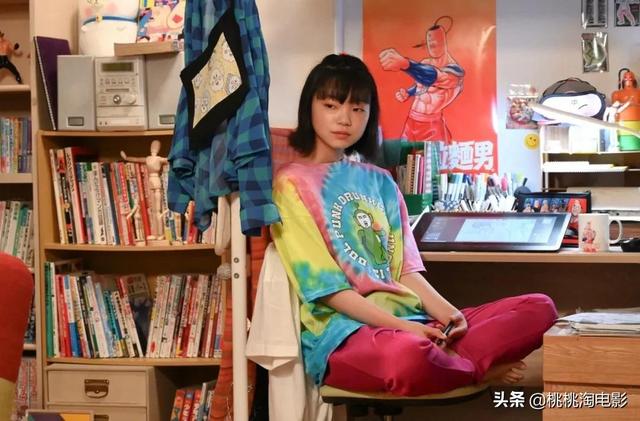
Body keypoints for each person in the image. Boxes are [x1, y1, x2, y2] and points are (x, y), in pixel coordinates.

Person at [270, 53, 557, 396]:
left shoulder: (380, 181)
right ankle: (477, 370)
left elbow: (405, 271)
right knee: (409, 358)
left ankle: (452, 362)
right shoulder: (291, 183)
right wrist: (405, 329)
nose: (344, 118)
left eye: (358, 109)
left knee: (540, 308)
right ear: (310, 108)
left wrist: (452, 316)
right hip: (346, 333)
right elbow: (328, 289)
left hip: (415, 323)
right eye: (331, 105)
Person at [378, 16, 464, 143]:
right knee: (404, 156)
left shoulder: (455, 72)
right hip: (411, 121)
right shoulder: (425, 63)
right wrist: (409, 92)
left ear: (443, 41)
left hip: (431, 127)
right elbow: (423, 85)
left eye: (435, 42)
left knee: (432, 157)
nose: (432, 46)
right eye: (430, 43)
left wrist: (406, 64)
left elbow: (434, 77)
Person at [121, 140, 169, 240]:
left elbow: (170, 159)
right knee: (152, 210)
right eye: (152, 146)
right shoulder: (148, 158)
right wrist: (126, 158)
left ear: (158, 148)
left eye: (155, 146)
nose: (153, 148)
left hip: (156, 182)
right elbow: (136, 159)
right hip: (150, 182)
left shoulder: (159, 159)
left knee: (158, 210)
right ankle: (155, 234)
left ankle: (160, 234)